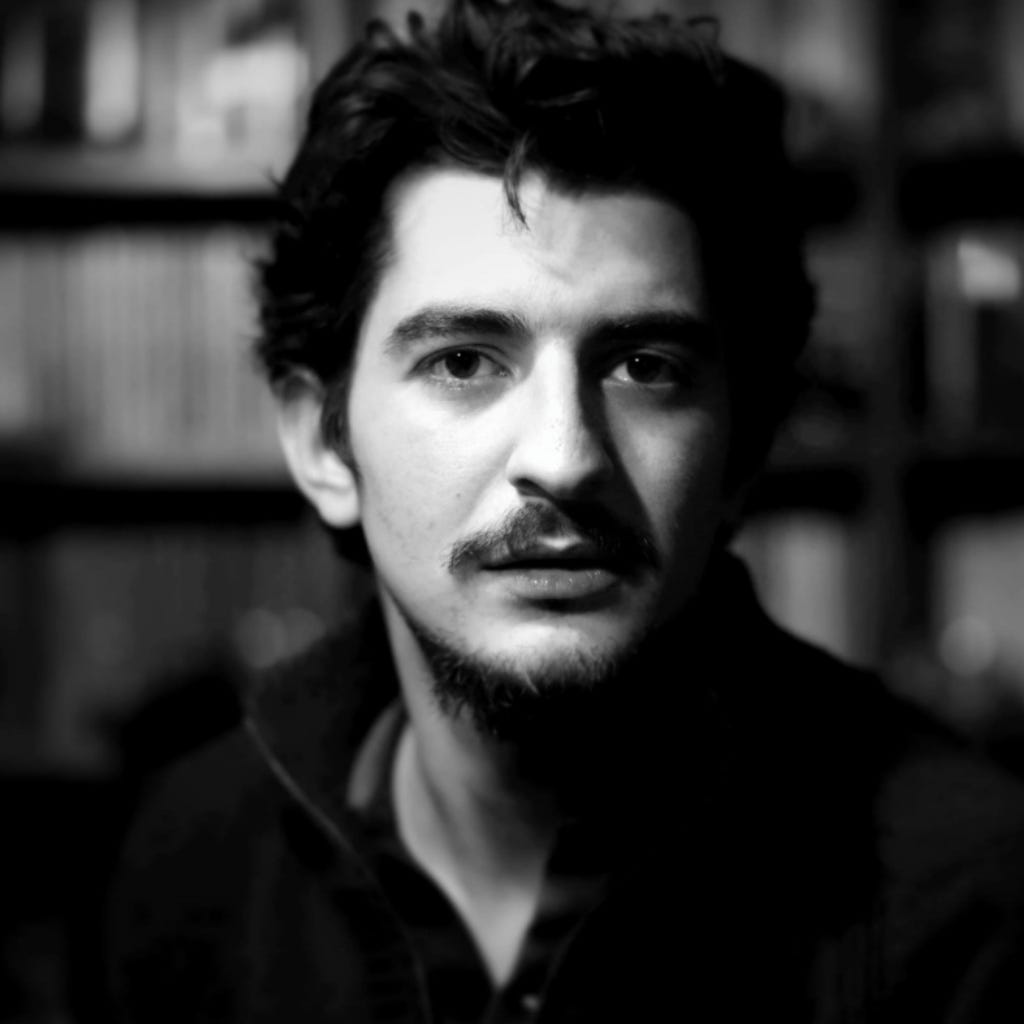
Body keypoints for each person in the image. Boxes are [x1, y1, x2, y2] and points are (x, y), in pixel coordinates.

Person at [104, 1, 1024, 1021]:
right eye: (463, 362)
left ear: (742, 454)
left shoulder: (968, 894)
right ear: (324, 444)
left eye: (644, 367)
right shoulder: (190, 866)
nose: (563, 457)